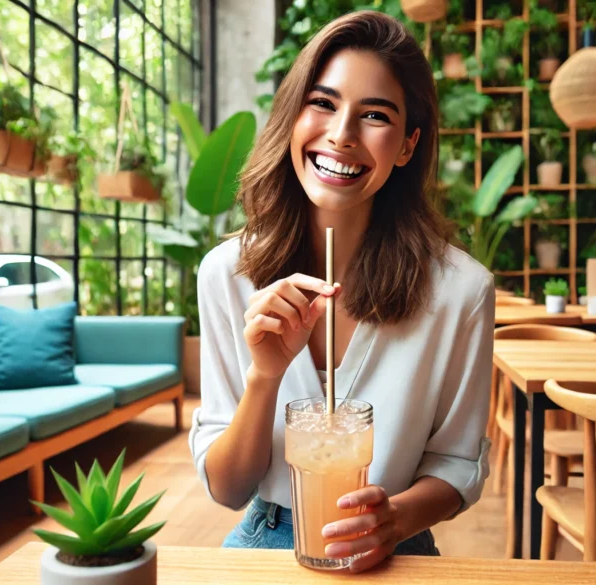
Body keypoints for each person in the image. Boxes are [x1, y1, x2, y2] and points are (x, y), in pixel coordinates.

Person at [188, 10, 494, 572]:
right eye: (322, 103)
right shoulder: (226, 273)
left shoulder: (461, 291)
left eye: (375, 115)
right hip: (268, 540)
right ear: (292, 116)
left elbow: (457, 464)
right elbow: (227, 489)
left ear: (406, 145)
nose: (342, 135)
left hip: (397, 546)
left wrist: (395, 519)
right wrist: (264, 376)